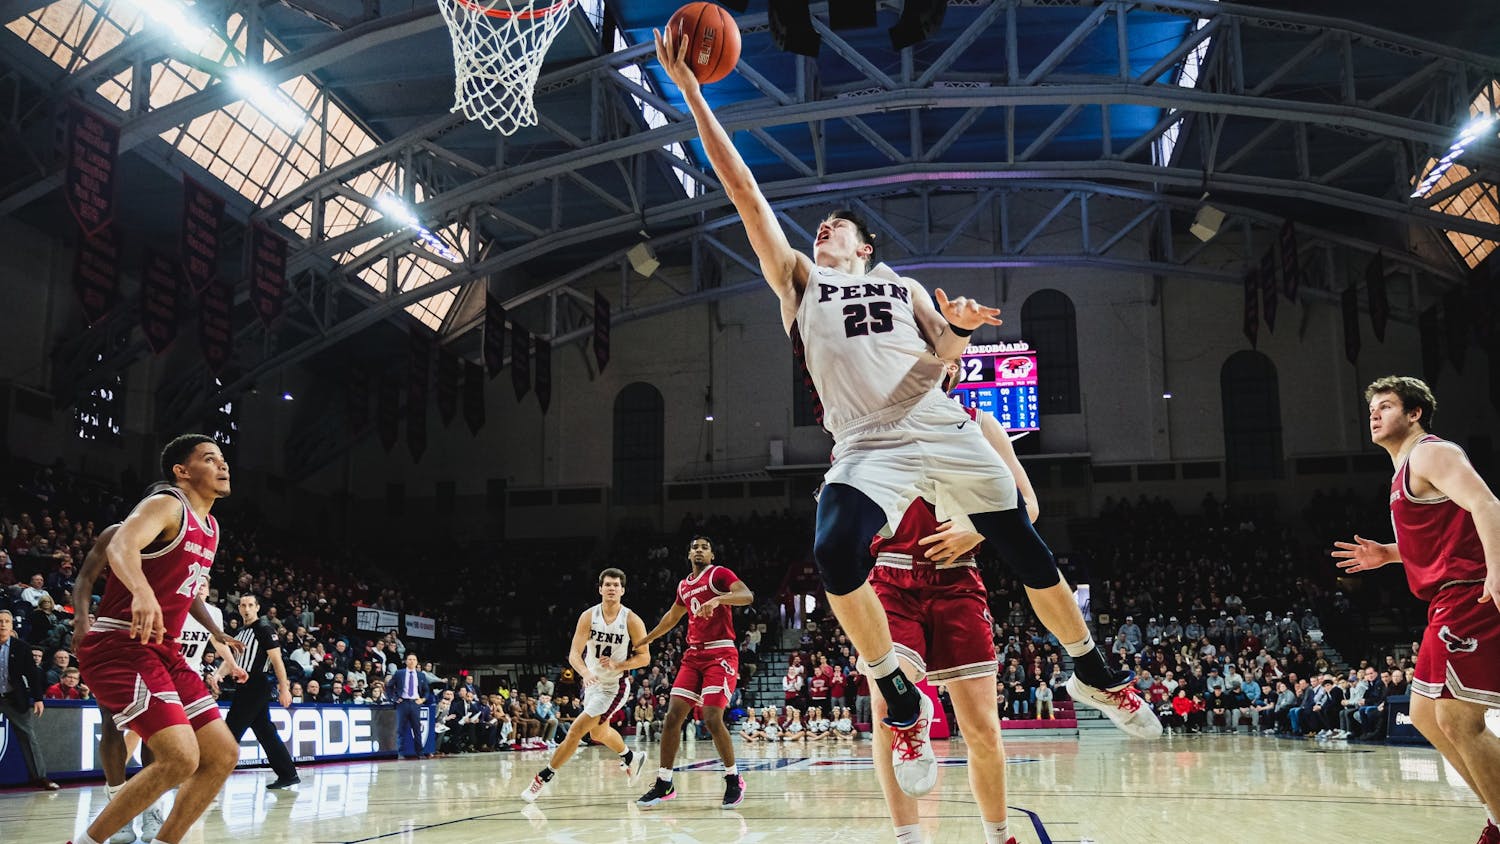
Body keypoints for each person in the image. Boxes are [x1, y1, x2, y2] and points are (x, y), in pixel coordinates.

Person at [653, 27, 1143, 799]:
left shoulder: (905, 285)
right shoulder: (799, 280)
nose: (824, 229)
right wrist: (690, 94)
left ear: (867, 242)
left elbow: (939, 357)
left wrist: (960, 330)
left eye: (837, 226)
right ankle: (900, 696)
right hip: (866, 441)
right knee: (836, 549)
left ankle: (1094, 670)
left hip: (937, 421)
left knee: (1016, 529)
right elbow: (745, 189)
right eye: (820, 226)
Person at [1332, 376, 1500, 844]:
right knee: (1426, 716)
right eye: (1371, 408)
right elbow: (1444, 539)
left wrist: (1497, 571)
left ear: (1414, 413)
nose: (1375, 414)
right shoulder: (1404, 470)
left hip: (1471, 590)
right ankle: (1496, 814)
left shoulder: (1431, 452)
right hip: (1447, 596)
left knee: (1456, 719)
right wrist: (1389, 554)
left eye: (1386, 406)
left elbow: (1488, 504)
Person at [72, 435, 243, 844]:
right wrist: (141, 593)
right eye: (209, 459)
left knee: (222, 754)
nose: (223, 466)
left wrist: (217, 631)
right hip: (120, 643)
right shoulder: (167, 504)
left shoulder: (212, 529)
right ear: (181, 472)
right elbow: (122, 545)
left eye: (223, 459)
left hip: (165, 649)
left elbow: (188, 592)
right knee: (179, 756)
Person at [635, 537, 753, 809]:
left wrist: (719, 599)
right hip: (693, 655)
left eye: (704, 547)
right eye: (695, 547)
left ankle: (734, 779)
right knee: (672, 717)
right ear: (689, 554)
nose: (699, 550)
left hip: (721, 653)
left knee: (712, 717)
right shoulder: (684, 585)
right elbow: (671, 617)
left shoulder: (719, 574)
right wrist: (648, 638)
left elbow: (747, 595)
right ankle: (664, 782)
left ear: (711, 555)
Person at [522, 568, 650, 802]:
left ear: (623, 590)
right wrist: (584, 671)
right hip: (591, 683)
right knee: (598, 732)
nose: (612, 588)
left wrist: (618, 665)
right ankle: (631, 757)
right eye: (607, 584)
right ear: (600, 589)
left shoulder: (631, 619)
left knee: (576, 731)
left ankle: (544, 776)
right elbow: (574, 653)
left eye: (616, 585)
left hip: (614, 687)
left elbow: (645, 657)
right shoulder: (589, 616)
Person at [214, 594, 298, 789]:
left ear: (257, 608)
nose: (246, 609)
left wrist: (284, 689)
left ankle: (211, 777)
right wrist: (219, 674)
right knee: (265, 732)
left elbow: (277, 661)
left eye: (250, 605)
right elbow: (231, 661)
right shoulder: (242, 633)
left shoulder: (264, 629)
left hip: (256, 685)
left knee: (230, 732)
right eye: (243, 605)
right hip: (245, 686)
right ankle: (288, 774)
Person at [0, 608, 57, 790]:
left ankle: (40, 777)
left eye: (6, 622)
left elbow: (32, 675)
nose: (2, 625)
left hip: (13, 698)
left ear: (11, 626)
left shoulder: (21, 647)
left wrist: (38, 698)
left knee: (28, 736)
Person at [390, 653, 433, 759]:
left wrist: (423, 699)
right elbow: (389, 686)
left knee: (417, 729)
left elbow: (427, 690)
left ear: (417, 662)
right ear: (406, 661)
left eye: (414, 659)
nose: (412, 661)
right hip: (403, 703)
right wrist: (394, 698)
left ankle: (420, 752)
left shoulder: (421, 675)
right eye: (410, 659)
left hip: (415, 704)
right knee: (401, 729)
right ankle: (400, 753)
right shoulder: (399, 673)